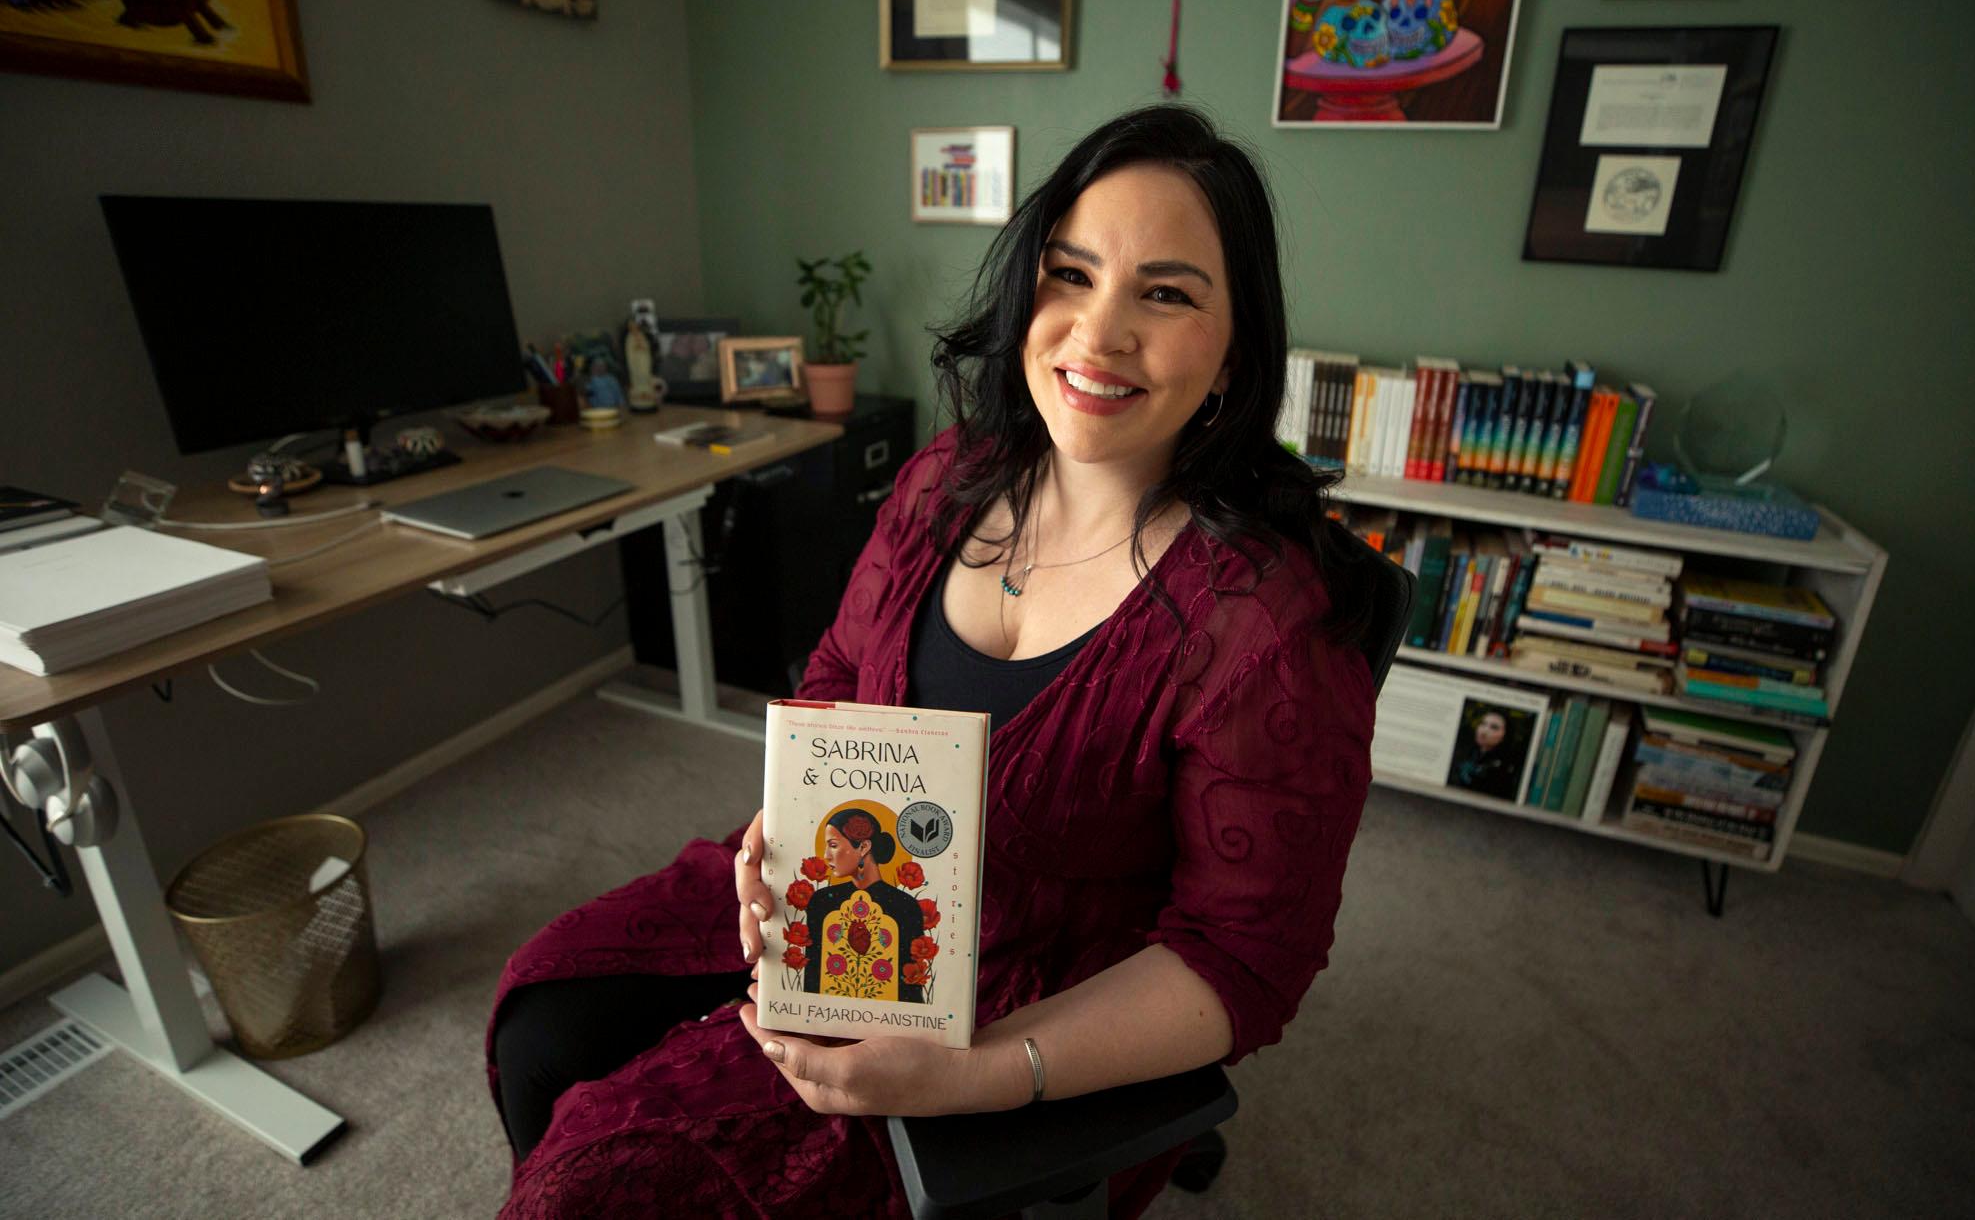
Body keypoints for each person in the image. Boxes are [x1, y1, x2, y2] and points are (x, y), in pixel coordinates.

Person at [485, 105, 1380, 1218]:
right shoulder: (946, 477)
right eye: (1069, 274)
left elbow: (1244, 959)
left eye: (1165, 291)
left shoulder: (1265, 625)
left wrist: (990, 1071)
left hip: (1038, 983)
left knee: (603, 1192)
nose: (1094, 337)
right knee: (544, 1014)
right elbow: (831, 679)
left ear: (1236, 345)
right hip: (846, 883)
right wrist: (783, 828)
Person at [801, 808, 928, 1003]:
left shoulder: (905, 907)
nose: (826, 855)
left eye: (833, 845)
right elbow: (812, 979)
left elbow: (911, 986)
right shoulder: (822, 902)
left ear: (863, 847)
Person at [1450, 707, 1518, 799]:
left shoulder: (1504, 767)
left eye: (1494, 727)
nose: (1484, 731)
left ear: (1504, 736)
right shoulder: (1465, 753)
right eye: (1483, 724)